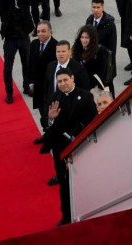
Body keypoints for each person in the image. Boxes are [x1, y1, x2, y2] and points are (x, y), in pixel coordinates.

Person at [40, 70, 98, 227]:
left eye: (65, 80)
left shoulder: (86, 96)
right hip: (60, 149)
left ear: (72, 79)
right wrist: (50, 119)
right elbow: (44, 121)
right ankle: (67, 215)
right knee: (64, 185)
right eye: (59, 81)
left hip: (80, 147)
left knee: (84, 182)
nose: (63, 83)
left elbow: (93, 122)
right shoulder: (54, 97)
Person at [0, 0, 35, 103]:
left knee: (27, 63)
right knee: (8, 67)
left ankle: (27, 87)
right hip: (10, 39)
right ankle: (9, 92)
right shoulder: (5, 0)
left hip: (24, 37)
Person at [72, 26, 115, 96]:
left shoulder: (100, 51)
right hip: (82, 87)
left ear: (92, 39)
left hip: (96, 89)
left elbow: (100, 74)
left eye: (87, 38)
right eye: (82, 37)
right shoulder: (78, 49)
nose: (83, 40)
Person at [27, 22, 59, 115]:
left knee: (49, 112)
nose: (40, 33)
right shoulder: (34, 43)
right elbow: (30, 64)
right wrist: (31, 83)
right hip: (37, 86)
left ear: (50, 31)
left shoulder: (56, 46)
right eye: (38, 31)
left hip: (49, 87)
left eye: (43, 31)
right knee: (41, 110)